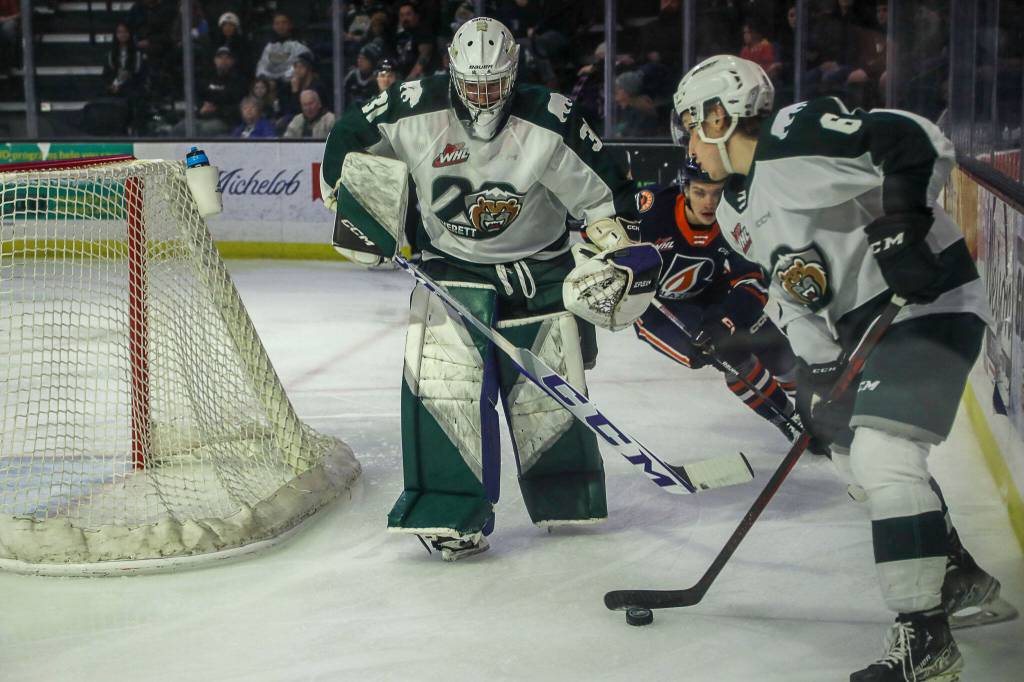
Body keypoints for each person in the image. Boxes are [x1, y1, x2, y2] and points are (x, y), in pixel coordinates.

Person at [673, 54, 1015, 681]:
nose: (691, 145)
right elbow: (790, 289)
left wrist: (904, 225)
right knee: (850, 453)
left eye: (693, 127)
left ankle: (925, 640)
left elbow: (916, 139)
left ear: (717, 116)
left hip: (929, 303)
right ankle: (958, 577)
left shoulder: (795, 135)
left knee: (887, 455)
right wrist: (818, 369)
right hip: (862, 327)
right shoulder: (731, 210)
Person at [319, 17, 640, 561]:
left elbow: (605, 192)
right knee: (444, 391)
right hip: (450, 266)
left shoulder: (550, 119)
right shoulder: (413, 107)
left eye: (493, 84)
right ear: (453, 71)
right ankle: (449, 509)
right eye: (472, 84)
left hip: (538, 268)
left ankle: (567, 492)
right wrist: (346, 199)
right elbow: (349, 136)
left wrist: (615, 245)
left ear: (513, 75)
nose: (482, 96)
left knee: (549, 394)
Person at [623, 157, 798, 442]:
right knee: (726, 352)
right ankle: (787, 417)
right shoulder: (654, 208)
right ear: (685, 189)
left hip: (710, 293)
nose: (709, 202)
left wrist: (727, 318)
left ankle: (814, 405)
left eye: (717, 193)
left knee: (767, 339)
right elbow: (602, 222)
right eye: (700, 192)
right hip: (656, 308)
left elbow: (752, 278)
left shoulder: (734, 220)